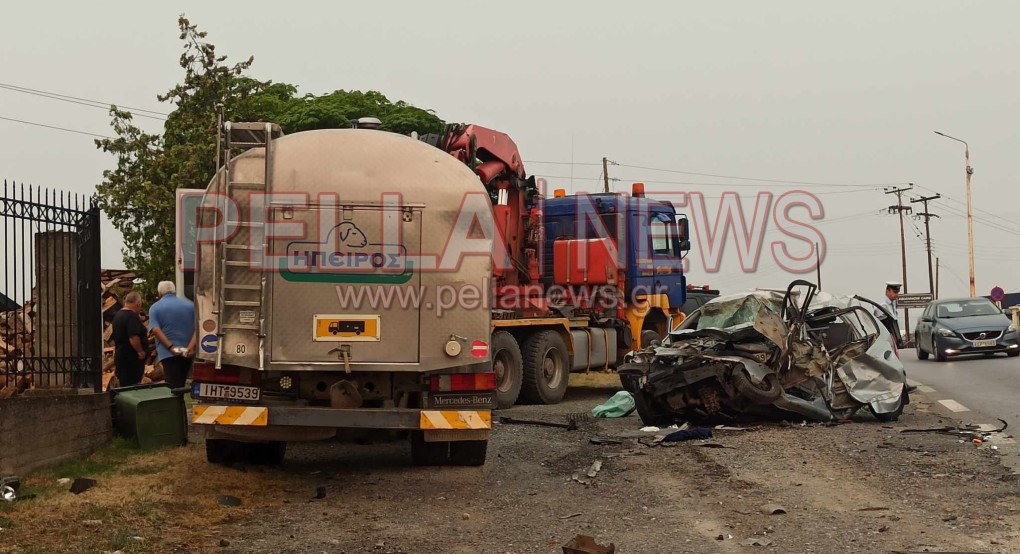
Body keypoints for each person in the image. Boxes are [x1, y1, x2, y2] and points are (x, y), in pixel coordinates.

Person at [148, 281, 196, 390]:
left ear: (160, 293)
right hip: (186, 352)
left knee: (172, 385)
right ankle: (180, 405)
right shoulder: (190, 305)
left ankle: (175, 405)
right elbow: (198, 328)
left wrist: (171, 347)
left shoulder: (155, 308)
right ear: (174, 290)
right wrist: (190, 347)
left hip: (168, 353)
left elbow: (156, 330)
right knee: (181, 382)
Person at [112, 291, 148, 387]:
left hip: (121, 356)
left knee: (124, 384)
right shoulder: (131, 316)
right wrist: (140, 351)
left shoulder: (118, 315)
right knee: (132, 386)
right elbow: (133, 337)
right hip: (131, 359)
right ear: (138, 304)